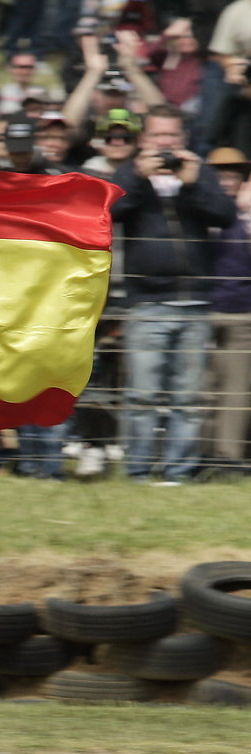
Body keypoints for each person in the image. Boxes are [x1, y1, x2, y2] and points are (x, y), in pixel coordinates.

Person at [109, 105, 239, 484]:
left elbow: (225, 215)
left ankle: (178, 474)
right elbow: (110, 210)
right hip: (147, 302)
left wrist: (193, 182)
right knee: (142, 396)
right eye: (157, 136)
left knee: (188, 398)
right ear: (143, 140)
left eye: (172, 136)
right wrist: (137, 176)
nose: (165, 143)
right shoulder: (130, 173)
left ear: (183, 139)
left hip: (195, 303)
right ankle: (138, 472)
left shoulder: (199, 173)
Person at [205, 145, 251, 474]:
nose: (226, 180)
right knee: (202, 389)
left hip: (241, 314)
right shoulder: (199, 210)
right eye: (220, 174)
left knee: (236, 391)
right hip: (200, 310)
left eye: (233, 174)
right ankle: (200, 455)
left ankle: (229, 459)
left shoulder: (247, 216)